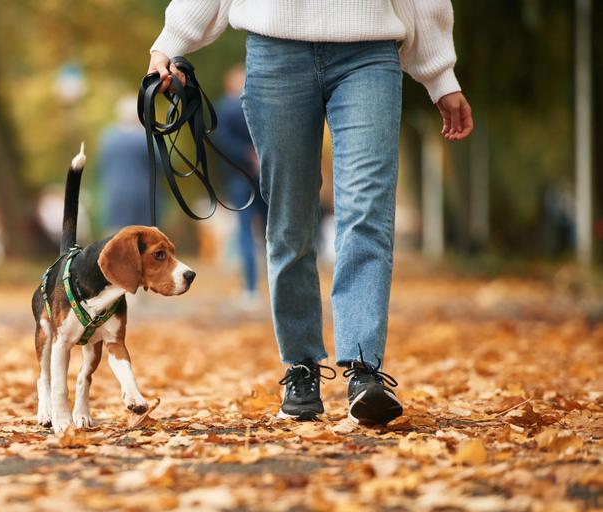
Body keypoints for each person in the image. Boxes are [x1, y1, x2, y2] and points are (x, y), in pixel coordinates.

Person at [147, 1, 473, 425]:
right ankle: (301, 368)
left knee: (366, 210)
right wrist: (169, 44)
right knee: (289, 219)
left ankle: (363, 371)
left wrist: (439, 73)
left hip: (369, 51)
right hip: (276, 52)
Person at [213, 64, 268, 305]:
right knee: (271, 230)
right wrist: (259, 155)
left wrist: (247, 155)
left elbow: (222, 141)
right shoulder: (263, 104)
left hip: (238, 176)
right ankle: (278, 286)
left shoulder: (224, 107)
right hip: (265, 173)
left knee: (245, 232)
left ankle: (251, 288)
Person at [97, 95, 156, 232]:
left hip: (115, 191)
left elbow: (102, 164)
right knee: (145, 233)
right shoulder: (145, 137)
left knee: (116, 232)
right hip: (143, 192)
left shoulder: (108, 137)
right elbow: (158, 165)